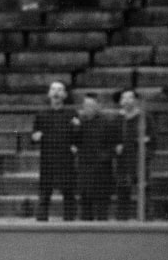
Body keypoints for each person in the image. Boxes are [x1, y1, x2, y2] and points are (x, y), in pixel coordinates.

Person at [31, 81, 79, 221]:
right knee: (45, 194)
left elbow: (78, 135)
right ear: (49, 94)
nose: (56, 92)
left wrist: (75, 142)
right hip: (48, 160)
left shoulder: (72, 114)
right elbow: (34, 136)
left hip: (66, 161)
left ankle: (70, 225)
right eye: (53, 89)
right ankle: (41, 226)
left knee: (68, 194)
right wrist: (35, 136)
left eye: (60, 90)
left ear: (64, 95)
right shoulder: (41, 114)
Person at [75, 94, 121, 221]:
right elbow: (75, 143)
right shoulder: (80, 124)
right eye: (85, 106)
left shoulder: (107, 123)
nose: (87, 108)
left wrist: (103, 158)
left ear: (98, 106)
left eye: (91, 106)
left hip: (102, 172)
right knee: (85, 208)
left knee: (102, 208)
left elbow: (115, 146)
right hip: (84, 171)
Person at [113, 88, 156, 220]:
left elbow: (152, 139)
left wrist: (145, 150)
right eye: (124, 98)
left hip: (140, 162)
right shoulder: (117, 119)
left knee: (143, 191)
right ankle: (122, 221)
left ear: (136, 100)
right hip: (123, 162)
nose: (126, 101)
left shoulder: (145, 117)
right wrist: (116, 147)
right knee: (123, 192)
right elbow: (111, 139)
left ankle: (146, 221)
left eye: (130, 97)